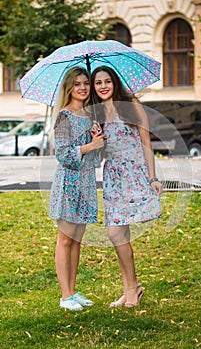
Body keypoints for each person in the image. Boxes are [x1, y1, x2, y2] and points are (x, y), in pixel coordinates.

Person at [91, 66, 163, 308]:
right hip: (113, 176)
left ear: (115, 83)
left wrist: (153, 178)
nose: (103, 86)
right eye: (98, 82)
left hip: (134, 172)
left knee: (117, 233)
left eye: (107, 81)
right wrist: (96, 139)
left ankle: (132, 289)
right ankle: (131, 289)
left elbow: (146, 143)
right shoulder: (96, 114)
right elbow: (99, 153)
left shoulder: (130, 103)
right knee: (117, 233)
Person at [50, 67, 105, 311]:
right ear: (69, 88)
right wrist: (88, 146)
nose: (83, 88)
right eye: (77, 84)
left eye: (86, 83)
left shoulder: (89, 115)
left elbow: (95, 157)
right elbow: (62, 154)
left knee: (77, 240)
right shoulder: (64, 116)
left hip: (85, 182)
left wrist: (97, 139)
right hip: (68, 182)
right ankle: (65, 296)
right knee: (65, 239)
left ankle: (73, 291)